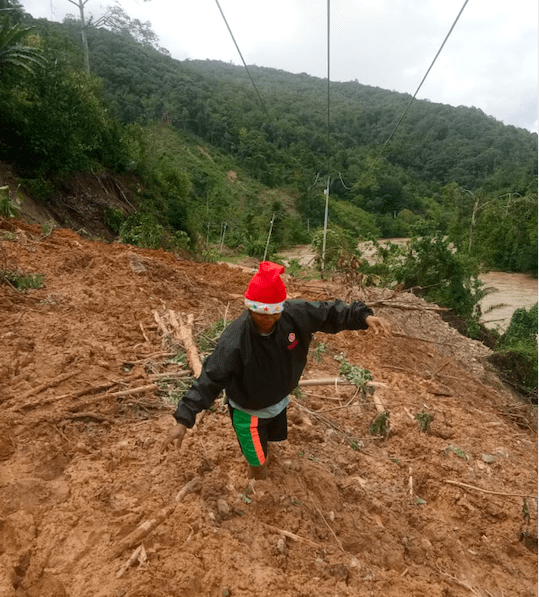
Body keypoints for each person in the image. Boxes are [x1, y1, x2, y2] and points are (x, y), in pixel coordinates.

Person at [161, 261, 391, 479]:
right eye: (261, 313)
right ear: (250, 310)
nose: (267, 319)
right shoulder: (235, 341)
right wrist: (184, 419)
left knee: (269, 443)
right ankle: (257, 488)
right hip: (247, 411)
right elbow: (210, 379)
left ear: (281, 309)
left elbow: (330, 312)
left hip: (278, 401)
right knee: (258, 462)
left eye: (273, 313)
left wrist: (364, 317)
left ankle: (264, 456)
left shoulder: (295, 315)